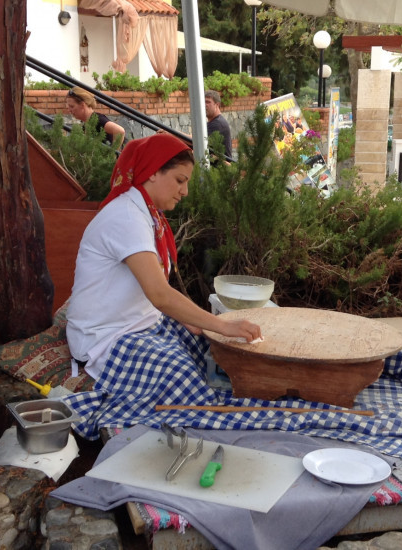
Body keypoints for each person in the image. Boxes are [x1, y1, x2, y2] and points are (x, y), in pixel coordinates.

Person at [64, 133, 261, 439]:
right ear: (153, 171)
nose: (185, 191)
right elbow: (158, 294)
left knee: (211, 356)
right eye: (180, 180)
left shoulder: (146, 214)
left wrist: (197, 322)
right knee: (182, 377)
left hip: (138, 323)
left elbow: (154, 293)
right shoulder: (126, 217)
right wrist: (223, 325)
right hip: (105, 338)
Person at [204, 90, 232, 158]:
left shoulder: (218, 124)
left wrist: (178, 135)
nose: (204, 105)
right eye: (203, 102)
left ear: (217, 105)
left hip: (220, 164)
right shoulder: (213, 122)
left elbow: (199, 141)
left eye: (208, 102)